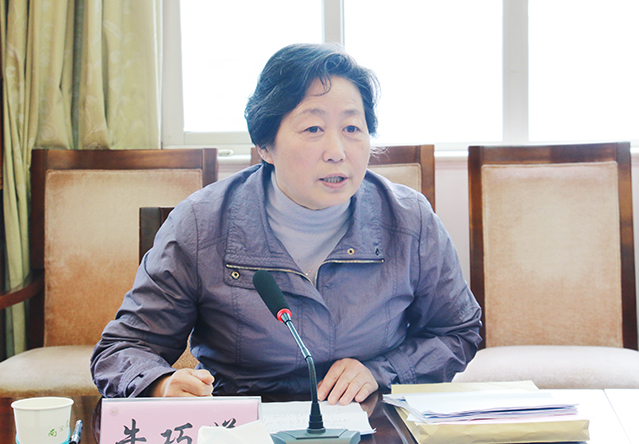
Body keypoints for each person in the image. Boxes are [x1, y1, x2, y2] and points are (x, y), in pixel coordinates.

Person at [91, 43, 482, 405]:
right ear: (266, 146)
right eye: (313, 129)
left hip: (368, 419)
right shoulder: (201, 224)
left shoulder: (409, 219)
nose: (337, 151)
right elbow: (124, 348)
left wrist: (381, 371)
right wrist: (160, 384)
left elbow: (458, 332)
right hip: (244, 423)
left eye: (352, 128)